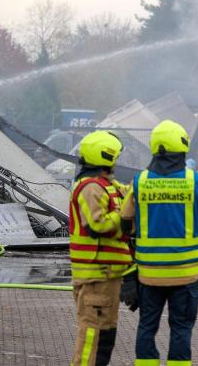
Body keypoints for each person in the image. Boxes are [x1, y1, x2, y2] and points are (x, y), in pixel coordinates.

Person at [121, 120, 198, 366]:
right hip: (185, 274)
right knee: (181, 327)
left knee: (147, 326)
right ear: (183, 146)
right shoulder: (197, 181)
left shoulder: (139, 182)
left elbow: (125, 223)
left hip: (149, 275)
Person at [69, 131, 132, 366]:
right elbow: (97, 224)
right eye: (115, 157)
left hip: (108, 275)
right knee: (91, 335)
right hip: (94, 276)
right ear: (106, 157)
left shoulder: (108, 185)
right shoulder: (90, 187)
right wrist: (123, 216)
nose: (117, 163)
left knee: (106, 335)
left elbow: (130, 193)